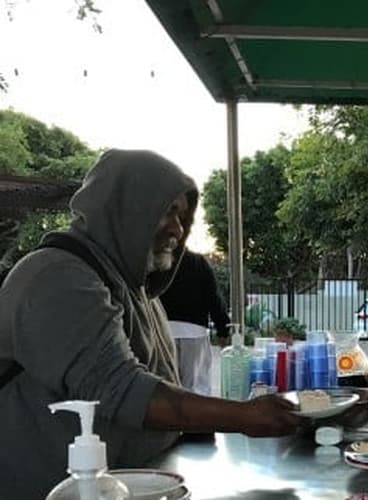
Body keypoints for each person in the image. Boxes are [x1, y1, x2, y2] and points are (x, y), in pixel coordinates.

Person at [0, 149, 301, 499]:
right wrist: (243, 416)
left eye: (183, 216)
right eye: (167, 212)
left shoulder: (138, 289)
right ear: (122, 207)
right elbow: (124, 391)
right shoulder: (57, 277)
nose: (177, 228)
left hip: (130, 487)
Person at [160, 247, 231, 396]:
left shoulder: (156, 260)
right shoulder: (198, 262)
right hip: (194, 332)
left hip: (161, 330)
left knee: (164, 389)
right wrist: (223, 329)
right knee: (196, 389)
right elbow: (213, 298)